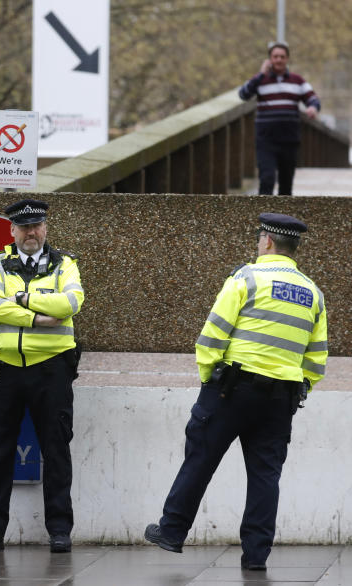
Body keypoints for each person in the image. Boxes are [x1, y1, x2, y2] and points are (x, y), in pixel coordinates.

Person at [145, 213, 327, 571]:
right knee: (265, 476)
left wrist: (208, 379)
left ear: (268, 242)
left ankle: (172, 531)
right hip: (282, 398)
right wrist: (300, 387)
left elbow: (213, 334)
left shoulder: (247, 278)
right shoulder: (313, 292)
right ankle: (256, 555)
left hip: (232, 389)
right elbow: (317, 357)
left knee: (200, 458)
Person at [0, 198, 84, 554]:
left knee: (56, 450)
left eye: (36, 226)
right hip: (5, 369)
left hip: (51, 370)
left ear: (45, 228)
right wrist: (35, 314)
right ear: (12, 231)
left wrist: (18, 299)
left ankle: (60, 530)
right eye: (23, 227)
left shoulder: (64, 264)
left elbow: (70, 304)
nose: (31, 233)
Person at [239, 41, 321, 195]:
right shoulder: (260, 80)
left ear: (287, 59)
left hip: (289, 140)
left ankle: (283, 218)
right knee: (267, 179)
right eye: (275, 56)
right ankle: (263, 215)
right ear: (269, 59)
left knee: (286, 182)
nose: (279, 60)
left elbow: (313, 98)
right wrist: (260, 74)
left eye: (282, 57)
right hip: (266, 140)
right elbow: (243, 94)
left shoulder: (297, 81)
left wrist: (312, 107)